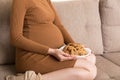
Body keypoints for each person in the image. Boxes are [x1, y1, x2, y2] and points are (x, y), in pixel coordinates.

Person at [10, 0, 97, 80]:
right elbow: (15, 38)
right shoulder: (20, 1)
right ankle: (35, 78)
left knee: (91, 58)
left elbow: (59, 26)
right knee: (91, 71)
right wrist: (51, 51)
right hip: (33, 56)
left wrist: (77, 47)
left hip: (56, 52)